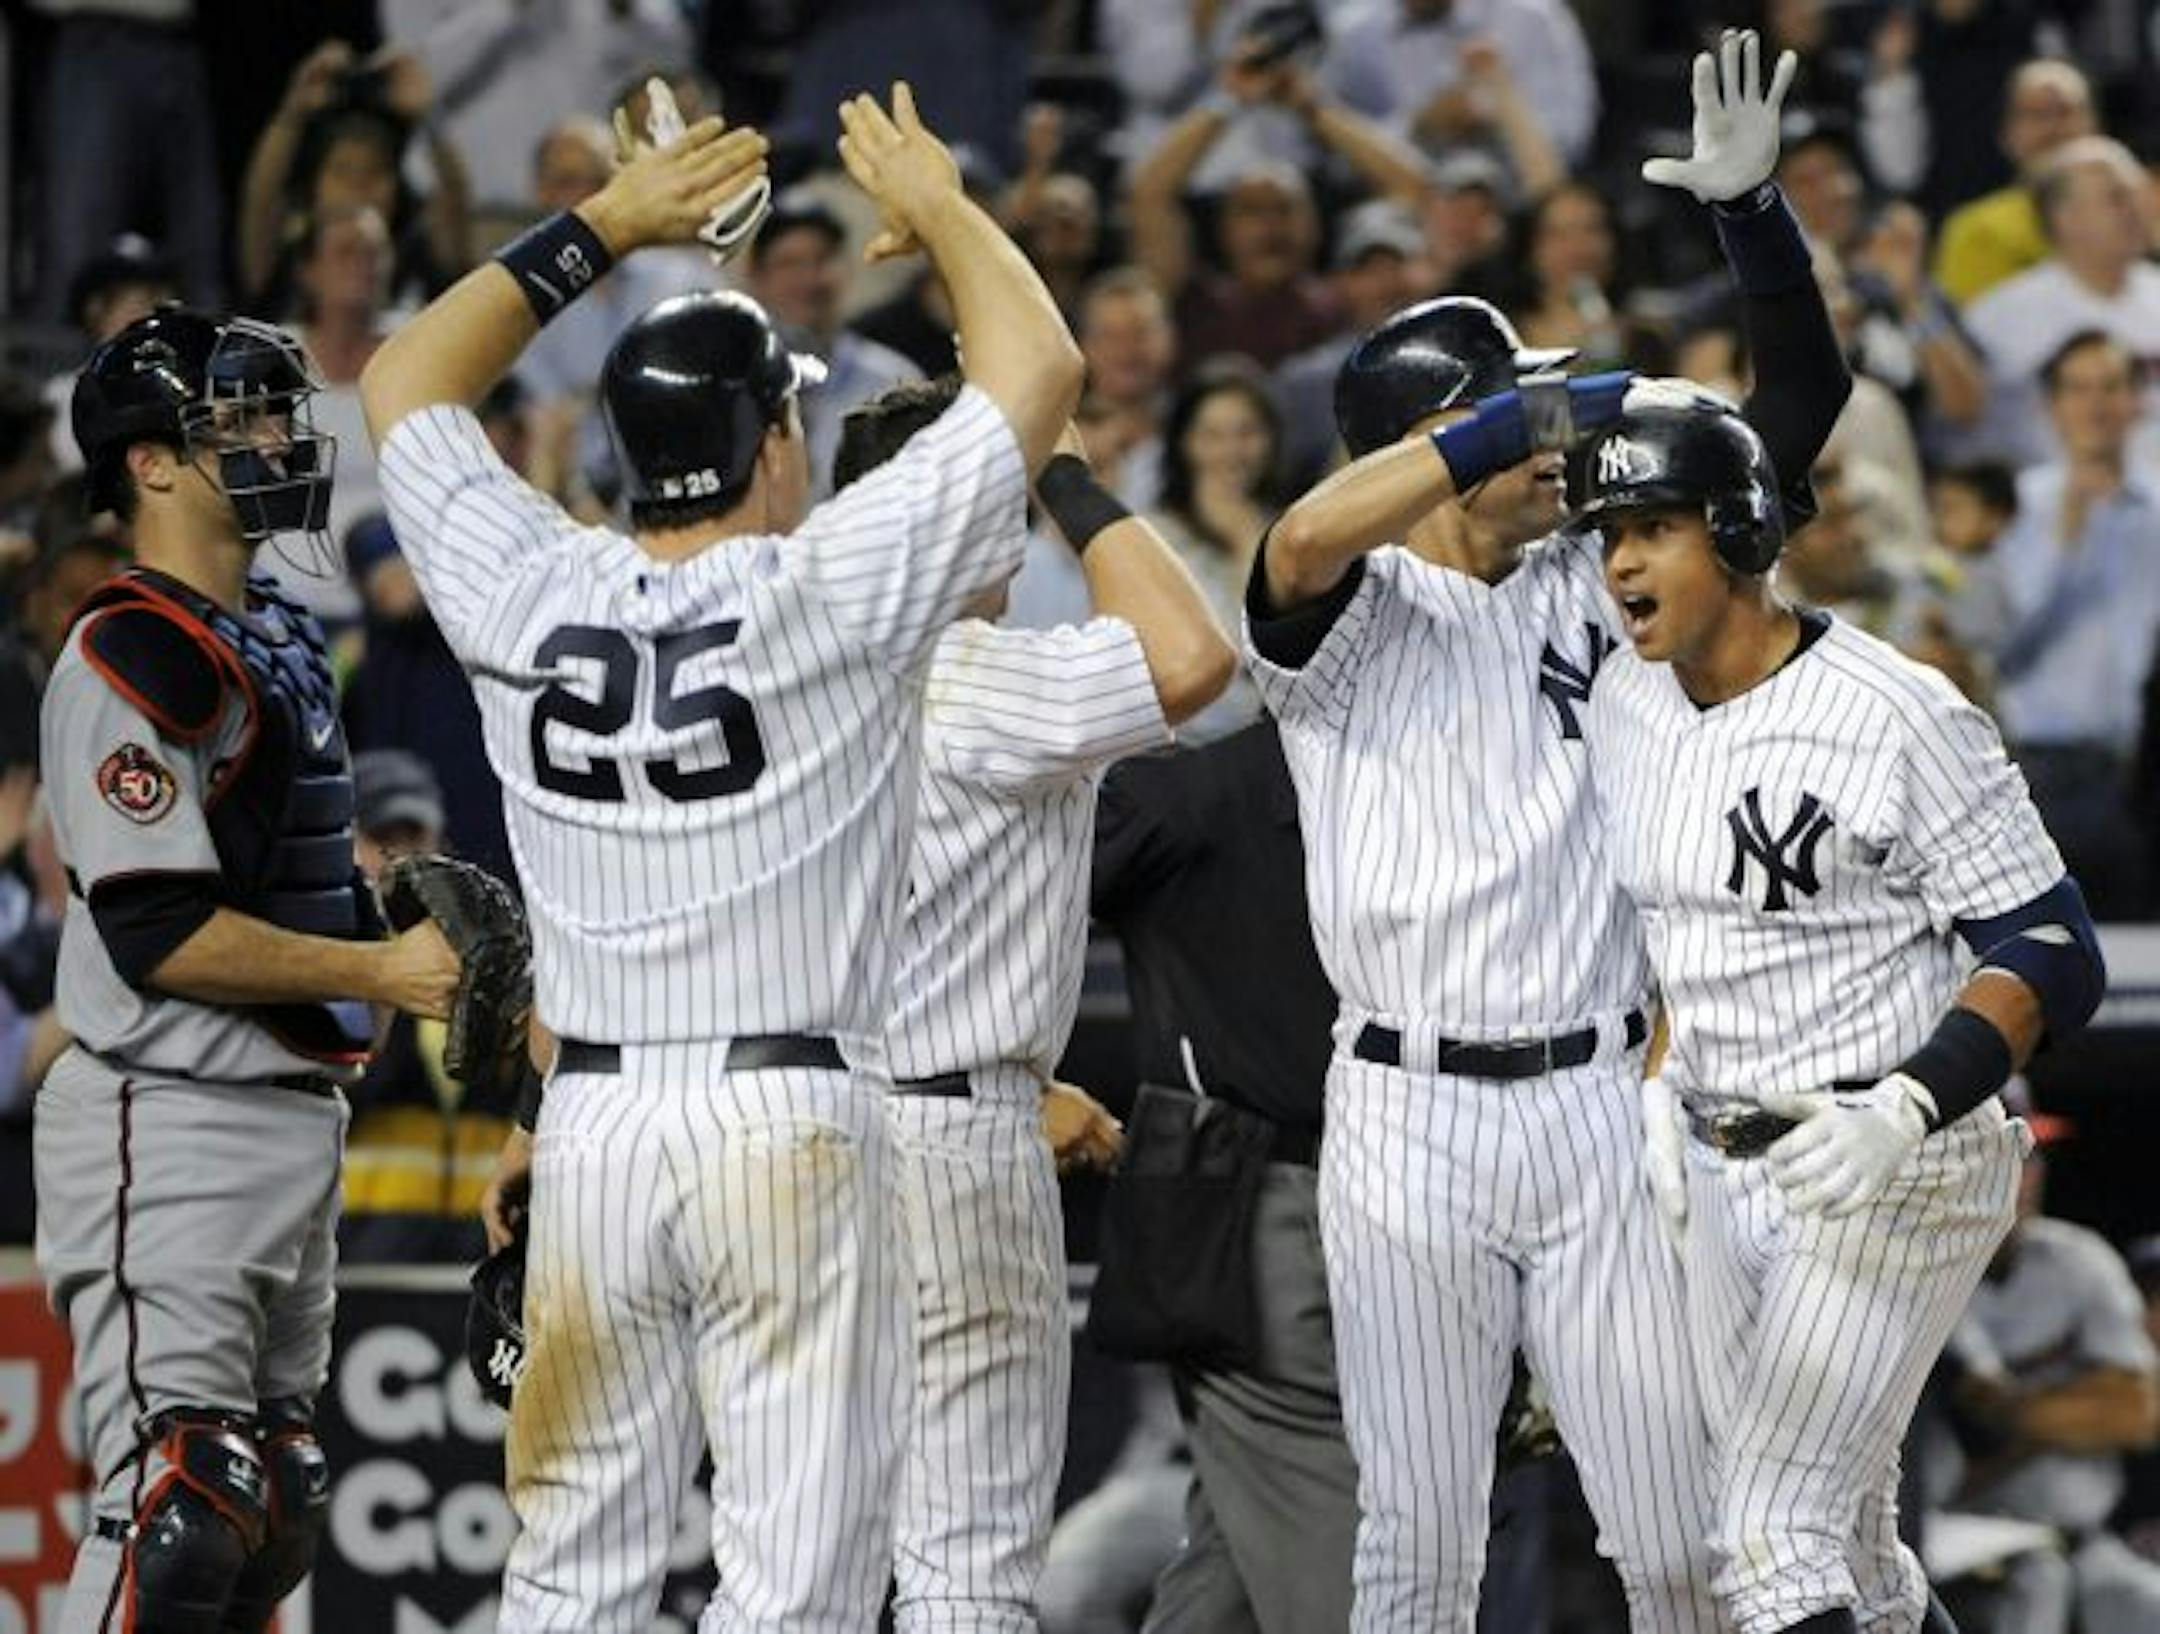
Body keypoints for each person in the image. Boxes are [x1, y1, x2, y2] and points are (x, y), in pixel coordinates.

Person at [360, 85, 1083, 1628]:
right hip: (787, 1123)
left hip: (599, 1126)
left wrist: (611, 223)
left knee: (571, 1574)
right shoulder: (834, 587)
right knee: (797, 1579)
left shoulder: (529, 581)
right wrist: (946, 207)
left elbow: (405, 374)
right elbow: (1041, 369)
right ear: (772, 443)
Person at [1244, 31, 1847, 1631]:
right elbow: (1301, 533)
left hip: (1597, 1102)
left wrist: (1757, 221)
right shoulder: (1348, 617)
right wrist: (1505, 420)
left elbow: (1797, 407)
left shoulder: (1609, 566)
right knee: (1419, 1560)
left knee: (1680, 1543)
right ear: (1437, 443)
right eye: (1508, 420)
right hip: (1404, 1115)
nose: (1552, 441)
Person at [1573, 390, 2107, 1633]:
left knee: (1770, 1536)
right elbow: (1684, 930)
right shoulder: (1623, 704)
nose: (1622, 563)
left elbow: (2052, 946)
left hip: (1895, 1155)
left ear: (1744, 530)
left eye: (1654, 525)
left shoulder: (1894, 708)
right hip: (1718, 1153)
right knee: (1853, 1555)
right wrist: (1660, 1088)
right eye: (1608, 535)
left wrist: (1909, 1102)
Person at [34, 307, 462, 1633]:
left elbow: (278, 856)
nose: (280, 436)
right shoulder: (129, 650)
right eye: (242, 418)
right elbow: (158, 931)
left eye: (278, 410)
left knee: (272, 1498)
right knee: (178, 1503)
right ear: (152, 465)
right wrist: (383, 970)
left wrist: (399, 907)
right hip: (166, 1112)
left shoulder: (271, 627)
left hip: (285, 1110)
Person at [832, 376, 1233, 1631]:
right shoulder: (976, 676)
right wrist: (1070, 474)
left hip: (790, 1116)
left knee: (802, 1541)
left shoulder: (788, 670)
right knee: (969, 1561)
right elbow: (1195, 657)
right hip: (949, 1140)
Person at [1958, 331, 2160, 919]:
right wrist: (2064, 542)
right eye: (2078, 389)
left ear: (2137, 401)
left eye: (2112, 387)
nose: (2096, 405)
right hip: (2044, 770)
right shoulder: (2018, 508)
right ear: (2052, 406)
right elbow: (2004, 648)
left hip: (2143, 770)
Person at [1936, 1107, 2160, 1634]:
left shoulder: (2080, 1262)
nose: (2027, 1176)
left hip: (2081, 1540)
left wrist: (2010, 1414)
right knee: (2036, 1590)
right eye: (2009, 1156)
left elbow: (2138, 1413)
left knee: (2144, 1603)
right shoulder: (1923, 1267)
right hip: (1959, 1545)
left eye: (2034, 1158)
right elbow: (1973, 1419)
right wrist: (2076, 1391)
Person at [339, 750, 520, 1265]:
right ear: (344, 847)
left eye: (414, 837)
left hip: (482, 1259)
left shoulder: (498, 971)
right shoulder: (325, 972)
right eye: (381, 839)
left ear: (442, 844)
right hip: (357, 1264)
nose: (401, 858)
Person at [1961, 136, 2160, 470]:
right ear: (2065, 217)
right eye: (2117, 198)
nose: (2136, 210)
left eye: (2138, 195)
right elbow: (1967, 431)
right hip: (2050, 508)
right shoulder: (2000, 315)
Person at [746, 191, 923, 495]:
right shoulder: (732, 382)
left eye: (822, 259)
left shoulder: (892, 381)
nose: (809, 279)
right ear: (756, 278)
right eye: (789, 263)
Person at [1933, 59, 2098, 308]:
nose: (2053, 128)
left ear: (2094, 124)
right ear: (2006, 134)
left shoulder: (2137, 214)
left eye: (2065, 111)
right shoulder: (1976, 230)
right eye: (2037, 114)